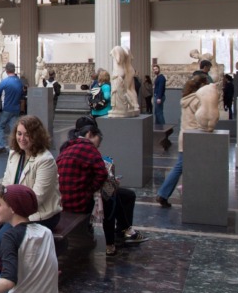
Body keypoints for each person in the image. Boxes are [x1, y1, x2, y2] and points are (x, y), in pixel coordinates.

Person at [0, 115, 62, 256]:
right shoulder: (15, 154)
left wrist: (8, 213)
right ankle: (2, 263)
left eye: (27, 134)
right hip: (11, 208)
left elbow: (37, 199)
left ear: (36, 136)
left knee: (0, 241)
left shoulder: (45, 160)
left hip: (38, 214)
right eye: (19, 133)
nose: (22, 138)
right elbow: (6, 185)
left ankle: (8, 266)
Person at [56, 117, 146, 257]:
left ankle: (124, 231)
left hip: (65, 199)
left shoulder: (67, 146)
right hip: (79, 201)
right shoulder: (88, 148)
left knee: (112, 191)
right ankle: (112, 243)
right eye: (99, 140)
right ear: (90, 134)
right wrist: (92, 189)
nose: (98, 146)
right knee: (109, 194)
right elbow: (102, 174)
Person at [155, 75, 210, 207]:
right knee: (181, 166)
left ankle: (174, 192)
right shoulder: (198, 100)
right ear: (202, 86)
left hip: (185, 135)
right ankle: (164, 193)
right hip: (193, 136)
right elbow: (204, 119)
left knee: (184, 166)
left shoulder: (186, 98)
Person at [0, 63, 23, 155]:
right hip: (16, 108)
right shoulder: (19, 81)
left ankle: (1, 146)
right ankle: (14, 147)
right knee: (13, 128)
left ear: (6, 70)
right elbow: (22, 94)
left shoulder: (5, 81)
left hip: (6, 108)